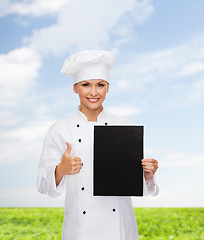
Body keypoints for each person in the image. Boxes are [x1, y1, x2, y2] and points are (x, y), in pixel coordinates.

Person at [37, 50, 159, 240]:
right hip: (79, 229)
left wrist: (147, 174)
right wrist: (60, 169)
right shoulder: (60, 129)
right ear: (75, 88)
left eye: (100, 85)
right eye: (86, 85)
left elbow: (138, 185)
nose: (93, 92)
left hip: (119, 227)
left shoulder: (125, 127)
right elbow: (43, 185)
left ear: (108, 88)